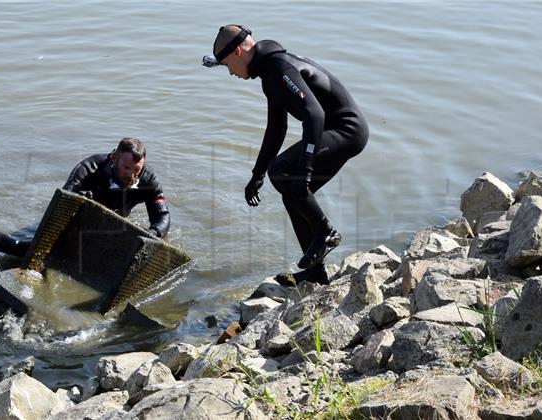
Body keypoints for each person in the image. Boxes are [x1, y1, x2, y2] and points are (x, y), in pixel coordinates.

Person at [203, 25, 368, 285]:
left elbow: (315, 115)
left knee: (282, 172)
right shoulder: (269, 72)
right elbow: (276, 129)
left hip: (346, 130)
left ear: (237, 51)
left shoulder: (280, 69)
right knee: (292, 194)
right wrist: (256, 175)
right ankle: (315, 275)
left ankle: (326, 233)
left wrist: (306, 167)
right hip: (333, 131)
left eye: (226, 65)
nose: (230, 73)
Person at [62, 137, 170, 238]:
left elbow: (162, 216)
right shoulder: (89, 168)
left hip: (118, 223)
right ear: (114, 158)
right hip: (85, 222)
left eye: (137, 170)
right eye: (126, 167)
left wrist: (152, 233)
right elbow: (63, 200)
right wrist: (78, 200)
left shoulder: (148, 179)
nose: (131, 175)